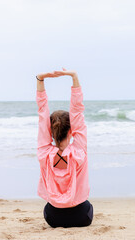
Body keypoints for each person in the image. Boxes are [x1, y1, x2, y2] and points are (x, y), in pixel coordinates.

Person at [35, 68, 93, 228]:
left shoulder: (44, 153)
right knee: (88, 205)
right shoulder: (79, 152)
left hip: (53, 218)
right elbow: (77, 111)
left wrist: (40, 79)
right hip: (81, 217)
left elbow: (42, 114)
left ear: (50, 131)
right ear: (71, 130)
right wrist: (74, 76)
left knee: (48, 207)